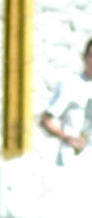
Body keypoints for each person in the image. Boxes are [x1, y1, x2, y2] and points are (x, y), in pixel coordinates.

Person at [39, 38, 92, 167]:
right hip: (74, 160)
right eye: (91, 56)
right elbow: (47, 120)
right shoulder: (71, 84)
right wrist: (67, 137)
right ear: (84, 57)